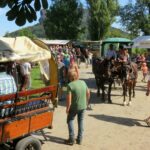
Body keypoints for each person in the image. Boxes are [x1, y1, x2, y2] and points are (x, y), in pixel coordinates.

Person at [65, 71, 90, 145]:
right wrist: (87, 102)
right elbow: (88, 93)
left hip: (74, 107)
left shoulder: (70, 85)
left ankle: (71, 138)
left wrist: (67, 108)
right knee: (81, 121)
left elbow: (69, 100)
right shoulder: (83, 82)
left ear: (70, 77)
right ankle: (79, 139)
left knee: (70, 120)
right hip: (83, 106)